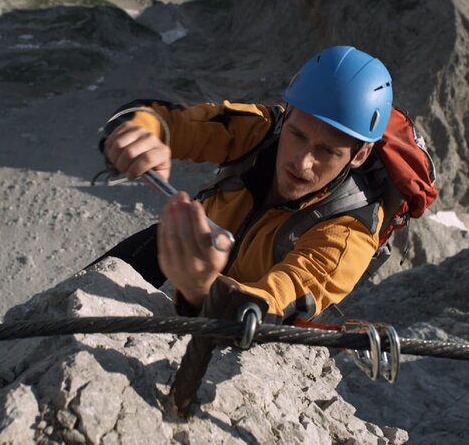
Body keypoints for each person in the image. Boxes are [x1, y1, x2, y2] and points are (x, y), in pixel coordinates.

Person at [95, 46, 393, 324]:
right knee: (150, 245)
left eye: (326, 151)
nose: (302, 162)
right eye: (297, 135)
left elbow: (269, 305)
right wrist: (143, 132)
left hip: (244, 318)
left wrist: (202, 289)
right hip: (197, 256)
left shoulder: (349, 232)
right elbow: (172, 120)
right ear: (285, 116)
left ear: (360, 155)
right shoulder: (259, 131)